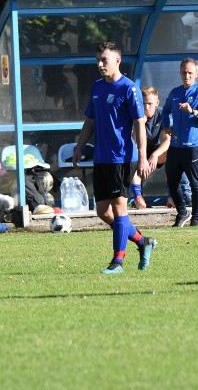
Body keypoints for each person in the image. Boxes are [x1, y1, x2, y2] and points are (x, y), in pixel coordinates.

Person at [72, 42, 156, 274]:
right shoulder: (97, 87)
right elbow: (90, 120)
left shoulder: (129, 89)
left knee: (120, 208)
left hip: (121, 157)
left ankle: (117, 261)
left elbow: (140, 124)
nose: (100, 64)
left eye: (104, 60)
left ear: (117, 61)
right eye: (98, 60)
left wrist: (142, 157)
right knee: (102, 212)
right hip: (101, 157)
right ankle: (142, 241)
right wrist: (80, 146)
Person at [151, 58, 198, 228]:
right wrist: (166, 127)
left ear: (196, 73)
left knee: (195, 184)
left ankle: (196, 218)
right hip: (176, 147)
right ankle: (182, 212)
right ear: (180, 73)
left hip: (193, 147)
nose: (187, 76)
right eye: (184, 72)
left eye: (190, 73)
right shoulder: (175, 92)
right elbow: (165, 111)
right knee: (172, 182)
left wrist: (193, 111)